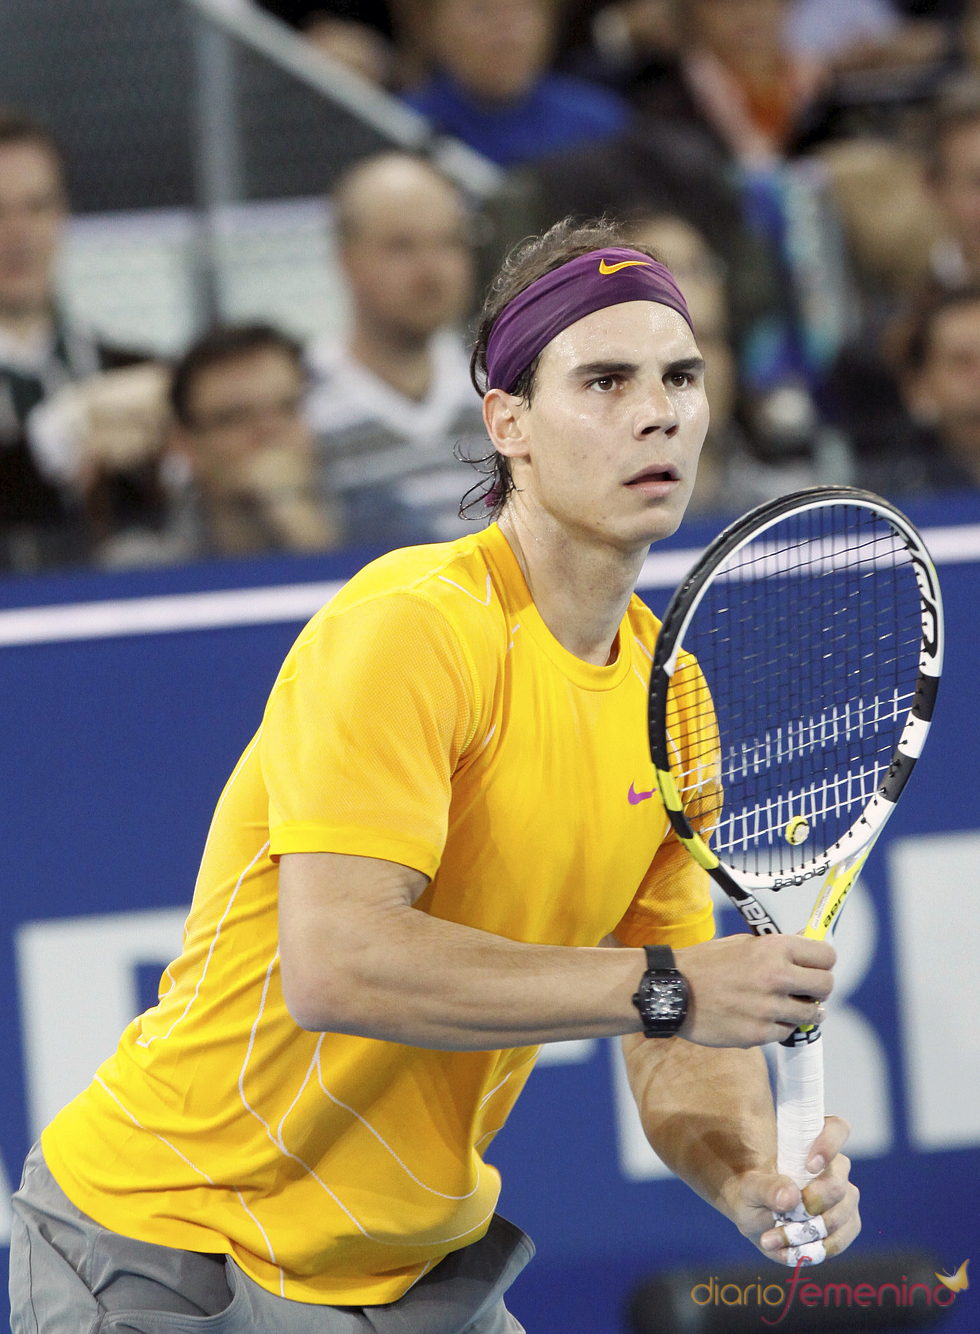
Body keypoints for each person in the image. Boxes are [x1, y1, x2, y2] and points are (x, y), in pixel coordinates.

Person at [9, 218, 860, 1334]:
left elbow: (673, 1032)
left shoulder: (671, 698)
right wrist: (669, 986)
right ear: (506, 422)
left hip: (400, 1267)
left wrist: (745, 1168)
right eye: (605, 380)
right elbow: (340, 962)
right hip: (171, 1240)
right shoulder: (412, 627)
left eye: (680, 377)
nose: (657, 411)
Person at [29, 323, 340, 566]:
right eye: (234, 418)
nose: (269, 434)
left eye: (287, 408)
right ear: (183, 443)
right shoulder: (143, 568)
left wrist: (303, 523)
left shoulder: (366, 526)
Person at [307, 152, 485, 545]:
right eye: (402, 246)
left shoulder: (505, 390)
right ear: (346, 260)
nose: (431, 270)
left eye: (449, 242)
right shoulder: (296, 410)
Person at [0, 108, 140, 571]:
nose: (18, 233)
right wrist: (52, 440)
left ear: (63, 216)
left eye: (37, 207)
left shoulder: (130, 372)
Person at [401, 0, 629, 167]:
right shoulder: (401, 126)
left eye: (523, 8)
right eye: (482, 10)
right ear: (434, 26)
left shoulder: (601, 126)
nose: (506, 29)